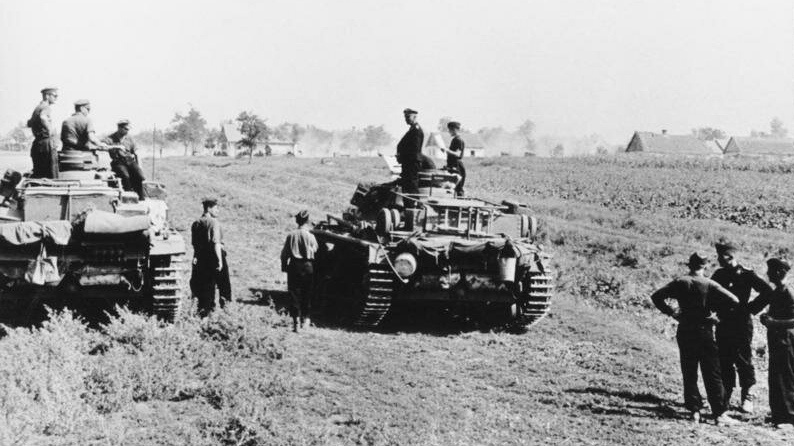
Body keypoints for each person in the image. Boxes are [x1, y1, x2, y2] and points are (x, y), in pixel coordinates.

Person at [651, 252, 741, 425]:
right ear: (706, 266)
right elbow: (734, 301)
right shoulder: (710, 284)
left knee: (689, 370)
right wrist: (718, 316)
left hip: (685, 329)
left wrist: (672, 312)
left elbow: (656, 297)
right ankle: (719, 414)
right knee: (713, 372)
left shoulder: (681, 282)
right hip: (704, 331)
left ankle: (694, 411)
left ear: (689, 264)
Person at [710, 241, 772, 413]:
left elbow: (767, 292)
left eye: (721, 256)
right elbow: (710, 294)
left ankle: (748, 396)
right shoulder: (718, 274)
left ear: (729, 256)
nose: (718, 259)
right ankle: (726, 395)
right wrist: (715, 310)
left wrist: (750, 308)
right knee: (724, 359)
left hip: (741, 323)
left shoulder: (746, 274)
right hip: (723, 323)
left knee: (743, 359)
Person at [755, 259, 794, 430]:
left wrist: (773, 322)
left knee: (786, 377)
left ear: (779, 272)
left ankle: (789, 417)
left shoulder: (788, 291)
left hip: (786, 340)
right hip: (777, 340)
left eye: (770, 270)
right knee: (776, 377)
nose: (768, 274)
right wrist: (767, 318)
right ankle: (778, 414)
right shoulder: (778, 291)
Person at [190, 198, 231, 317]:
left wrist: (196, 258)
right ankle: (227, 312)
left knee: (207, 287)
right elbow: (216, 243)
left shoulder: (196, 223)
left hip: (202, 258)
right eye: (216, 208)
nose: (218, 210)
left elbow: (195, 245)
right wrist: (220, 261)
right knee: (224, 286)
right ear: (209, 208)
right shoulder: (213, 222)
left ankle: (205, 313)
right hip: (215, 256)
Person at [281, 209, 318, 332]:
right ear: (307, 221)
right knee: (307, 294)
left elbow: (284, 254)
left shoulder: (291, 235)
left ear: (297, 220)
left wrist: (284, 266)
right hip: (308, 266)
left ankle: (295, 321)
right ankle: (305, 319)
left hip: (294, 266)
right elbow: (316, 249)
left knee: (294, 294)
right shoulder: (311, 236)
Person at [102, 120, 146, 199]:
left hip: (129, 160)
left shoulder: (130, 138)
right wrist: (115, 147)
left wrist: (140, 167)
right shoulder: (111, 138)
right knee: (125, 176)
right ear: (119, 128)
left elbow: (136, 153)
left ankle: (141, 198)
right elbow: (102, 146)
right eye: (125, 129)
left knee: (140, 176)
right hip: (118, 162)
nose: (127, 131)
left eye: (128, 129)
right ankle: (128, 197)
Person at [27, 87, 59, 179]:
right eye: (55, 95)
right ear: (47, 96)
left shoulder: (37, 108)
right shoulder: (45, 107)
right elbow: (43, 117)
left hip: (38, 143)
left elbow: (29, 123)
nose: (56, 98)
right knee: (51, 174)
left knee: (39, 173)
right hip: (46, 143)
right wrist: (50, 131)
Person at [395, 108, 424, 196]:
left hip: (411, 162)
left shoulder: (416, 130)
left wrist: (402, 156)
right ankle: (409, 206)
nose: (406, 119)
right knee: (407, 185)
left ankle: (413, 206)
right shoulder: (412, 130)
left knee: (411, 185)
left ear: (415, 117)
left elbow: (414, 149)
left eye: (408, 117)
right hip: (408, 162)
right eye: (405, 117)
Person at [442, 121, 466, 196]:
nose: (449, 131)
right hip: (453, 165)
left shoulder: (458, 140)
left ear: (455, 130)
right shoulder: (455, 139)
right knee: (454, 186)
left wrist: (447, 150)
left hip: (456, 165)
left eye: (450, 130)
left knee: (457, 187)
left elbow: (458, 154)